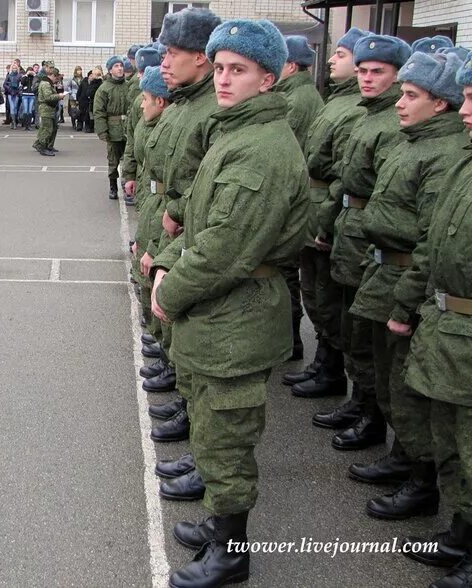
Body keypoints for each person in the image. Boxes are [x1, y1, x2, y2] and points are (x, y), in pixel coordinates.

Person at [151, 19, 307, 587]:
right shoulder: (238, 132)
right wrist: (169, 258)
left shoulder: (261, 149)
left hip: (235, 313)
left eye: (237, 70)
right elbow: (202, 218)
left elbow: (224, 250)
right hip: (221, 313)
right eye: (218, 68)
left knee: (228, 440)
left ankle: (232, 553)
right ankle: (221, 525)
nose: (222, 79)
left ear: (268, 78)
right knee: (214, 434)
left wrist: (170, 288)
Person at [348, 50, 468, 521]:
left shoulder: (444, 154)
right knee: (390, 378)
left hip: (410, 281)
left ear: (439, 103)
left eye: (412, 95)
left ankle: (420, 479)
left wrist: (406, 302)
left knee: (410, 389)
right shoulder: (413, 141)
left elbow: (430, 240)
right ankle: (409, 465)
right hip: (390, 273)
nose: (400, 102)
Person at [400, 51, 472, 587]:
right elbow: (433, 240)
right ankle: (462, 533)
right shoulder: (465, 162)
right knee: (452, 439)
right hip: (449, 325)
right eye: (464, 97)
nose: (463, 110)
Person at [141, 9, 224, 461]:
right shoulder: (188, 103)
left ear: (200, 58)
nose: (164, 62)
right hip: (173, 223)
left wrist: (173, 212)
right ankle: (189, 409)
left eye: (173, 53)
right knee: (186, 340)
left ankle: (198, 427)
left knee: (197, 338)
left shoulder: (211, 108)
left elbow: (200, 180)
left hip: (194, 231)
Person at [327, 34, 412, 454]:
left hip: (371, 238)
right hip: (354, 228)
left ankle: (373, 418)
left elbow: (388, 195)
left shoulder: (394, 122)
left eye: (378, 71)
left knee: (370, 338)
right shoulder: (369, 114)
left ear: (398, 75)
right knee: (353, 328)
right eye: (362, 70)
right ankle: (362, 405)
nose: (367, 78)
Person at [284, 28, 367, 405]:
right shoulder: (336, 100)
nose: (332, 59)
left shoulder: (328, 104)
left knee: (330, 300)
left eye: (342, 54)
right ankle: (325, 364)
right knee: (317, 294)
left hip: (325, 211)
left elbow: (337, 172)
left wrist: (323, 220)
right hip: (315, 206)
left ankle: (332, 370)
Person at [275, 36, 325, 361]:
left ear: (291, 66)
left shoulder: (295, 101)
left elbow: (284, 154)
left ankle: (291, 340)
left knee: (288, 274)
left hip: (295, 198)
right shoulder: (302, 94)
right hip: (302, 195)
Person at [126, 64, 171, 339]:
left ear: (160, 101)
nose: (141, 105)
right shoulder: (150, 123)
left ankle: (160, 337)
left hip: (162, 201)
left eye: (145, 99)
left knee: (153, 262)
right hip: (150, 194)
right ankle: (156, 332)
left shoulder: (168, 128)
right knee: (143, 252)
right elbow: (135, 148)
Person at [121, 47, 162, 207]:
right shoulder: (142, 99)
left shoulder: (153, 97)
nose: (139, 75)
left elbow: (133, 139)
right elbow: (134, 139)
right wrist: (130, 174)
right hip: (144, 175)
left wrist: (130, 174)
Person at [93, 55, 130, 199]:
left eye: (121, 65)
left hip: (128, 128)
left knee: (129, 159)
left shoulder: (129, 86)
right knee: (113, 160)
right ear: (110, 70)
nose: (120, 68)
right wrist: (102, 131)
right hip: (113, 129)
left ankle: (128, 185)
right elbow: (99, 112)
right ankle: (113, 186)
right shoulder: (104, 89)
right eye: (116, 66)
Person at [34, 67, 65, 156]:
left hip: (50, 109)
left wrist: (59, 92)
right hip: (46, 108)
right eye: (55, 76)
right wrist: (59, 96)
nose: (56, 78)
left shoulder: (49, 83)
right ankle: (42, 147)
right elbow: (48, 97)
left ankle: (45, 145)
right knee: (47, 129)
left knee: (53, 127)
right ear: (51, 75)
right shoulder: (45, 84)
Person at [4, 63, 22, 130]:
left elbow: (21, 84)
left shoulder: (19, 76)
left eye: (15, 68)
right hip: (10, 93)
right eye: (13, 68)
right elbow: (5, 84)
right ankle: (13, 122)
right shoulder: (9, 76)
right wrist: (9, 89)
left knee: (15, 107)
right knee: (12, 107)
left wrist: (19, 90)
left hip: (16, 93)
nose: (14, 69)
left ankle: (14, 121)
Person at [66, 66, 84, 131]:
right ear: (75, 71)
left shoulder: (83, 79)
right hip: (73, 97)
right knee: (73, 110)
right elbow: (68, 86)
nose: (79, 71)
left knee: (79, 110)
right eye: (78, 70)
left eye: (80, 70)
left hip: (80, 97)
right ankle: (73, 124)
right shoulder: (72, 79)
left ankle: (79, 123)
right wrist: (70, 92)